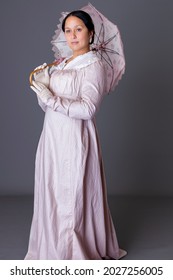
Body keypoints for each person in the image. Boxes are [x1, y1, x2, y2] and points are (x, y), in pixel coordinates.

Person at [25, 10, 126, 260]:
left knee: (71, 192)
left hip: (74, 136)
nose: (72, 35)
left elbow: (88, 108)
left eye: (78, 29)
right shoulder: (61, 63)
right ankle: (51, 247)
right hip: (52, 136)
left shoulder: (95, 65)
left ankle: (71, 251)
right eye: (68, 30)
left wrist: (52, 98)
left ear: (91, 33)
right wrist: (43, 87)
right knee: (52, 189)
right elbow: (47, 105)